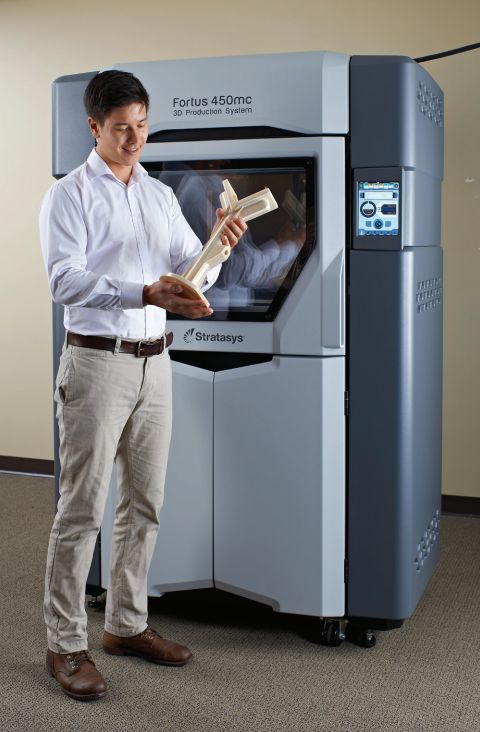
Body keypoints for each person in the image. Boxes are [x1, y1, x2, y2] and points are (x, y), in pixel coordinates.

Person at [39, 69, 247, 702]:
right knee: (81, 509)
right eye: (121, 128)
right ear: (94, 127)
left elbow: (189, 271)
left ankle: (125, 626)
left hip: (157, 364)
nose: (134, 139)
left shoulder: (157, 195)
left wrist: (219, 246)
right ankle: (64, 644)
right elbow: (63, 281)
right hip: (97, 363)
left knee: (145, 502)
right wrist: (142, 293)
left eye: (142, 125)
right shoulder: (69, 196)